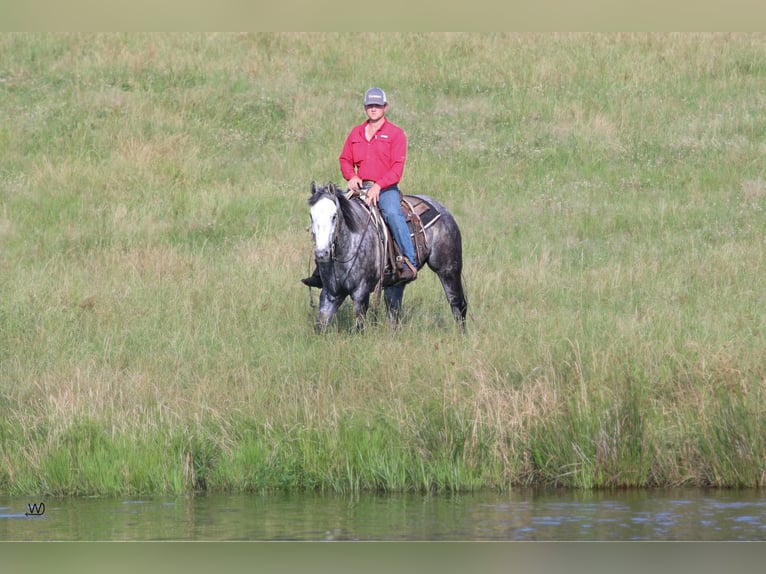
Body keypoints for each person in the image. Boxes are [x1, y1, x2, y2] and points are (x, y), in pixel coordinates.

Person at [302, 87, 418, 288]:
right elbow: (345, 159)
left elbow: (397, 168)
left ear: (385, 107)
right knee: (332, 214)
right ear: (365, 107)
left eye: (378, 105)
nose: (374, 109)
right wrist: (352, 176)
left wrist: (379, 186)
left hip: (385, 189)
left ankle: (408, 261)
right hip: (360, 187)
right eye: (370, 105)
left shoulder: (395, 134)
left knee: (391, 213)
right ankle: (321, 270)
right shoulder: (356, 132)